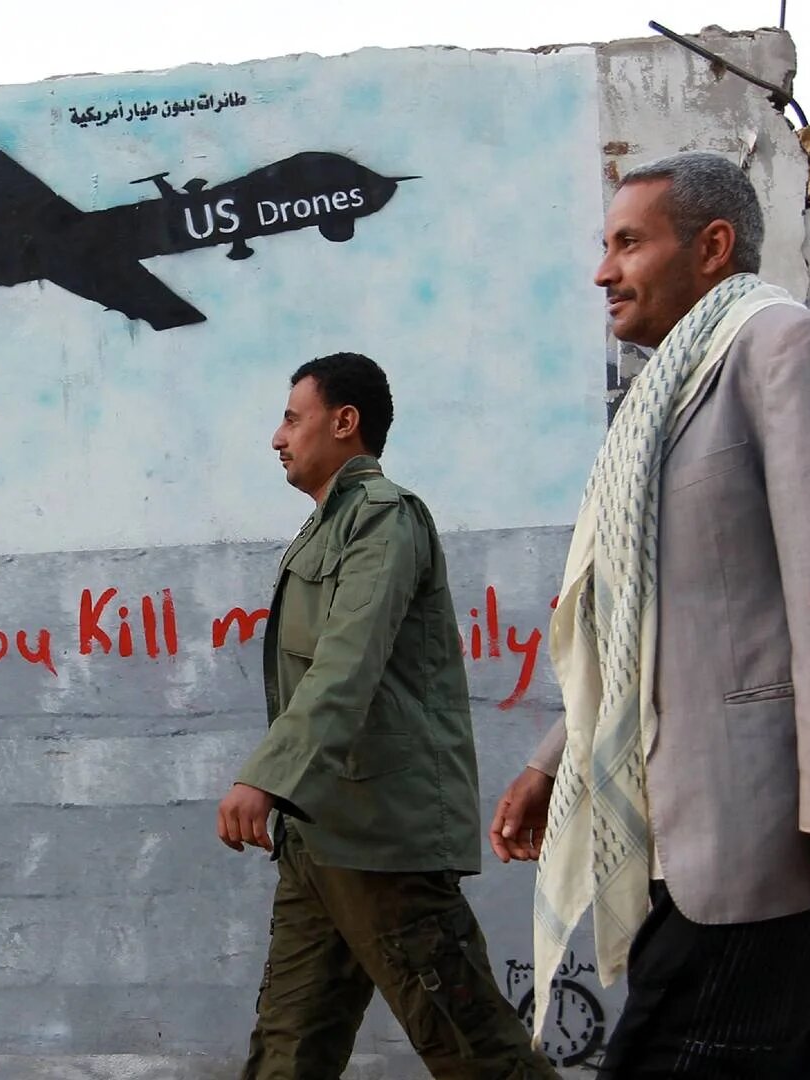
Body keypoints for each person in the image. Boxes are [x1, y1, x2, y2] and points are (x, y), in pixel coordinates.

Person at [488, 151, 810, 1078]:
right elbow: (649, 629)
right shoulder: (667, 396)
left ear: (712, 246)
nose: (603, 271)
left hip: (762, 837)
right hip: (709, 828)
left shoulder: (784, 350)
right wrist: (552, 761)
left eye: (628, 243)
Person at [221, 352, 557, 1080]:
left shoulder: (382, 519)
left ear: (345, 422)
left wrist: (268, 776)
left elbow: (347, 662)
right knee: (287, 1056)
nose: (277, 437)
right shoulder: (326, 527)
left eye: (292, 419)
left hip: (382, 844)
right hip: (320, 837)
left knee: (477, 1055)